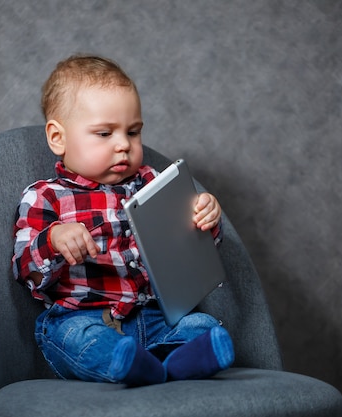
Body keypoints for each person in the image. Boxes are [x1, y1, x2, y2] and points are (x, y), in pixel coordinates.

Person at [12, 54, 234, 386]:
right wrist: (55, 240)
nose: (123, 145)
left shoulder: (151, 183)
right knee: (72, 338)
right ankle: (133, 362)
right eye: (104, 133)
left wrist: (206, 218)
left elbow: (189, 249)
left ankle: (158, 365)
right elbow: (25, 269)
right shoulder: (46, 197)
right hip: (85, 318)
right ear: (58, 138)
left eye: (133, 132)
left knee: (201, 325)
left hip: (154, 317)